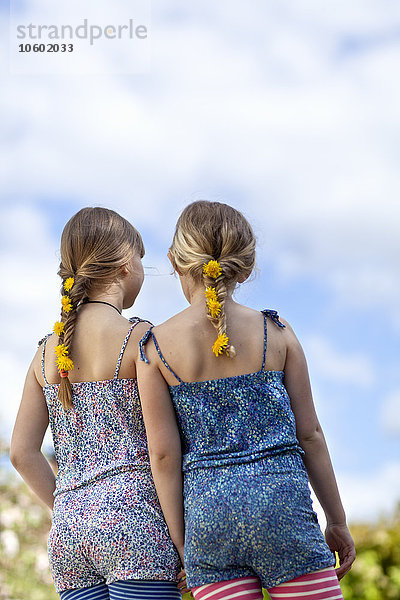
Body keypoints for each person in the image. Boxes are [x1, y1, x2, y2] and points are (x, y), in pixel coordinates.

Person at [137, 200, 356, 600]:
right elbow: (311, 436)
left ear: (174, 261)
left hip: (208, 521)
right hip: (283, 512)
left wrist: (186, 548)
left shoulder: (154, 349)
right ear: (248, 266)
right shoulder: (278, 331)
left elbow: (164, 457)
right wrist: (336, 520)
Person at [10, 207, 185, 600]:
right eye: (141, 258)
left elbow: (21, 453)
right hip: (136, 524)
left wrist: (70, 507)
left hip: (70, 532)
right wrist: (182, 540)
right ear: (125, 265)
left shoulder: (44, 354)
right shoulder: (139, 338)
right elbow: (162, 452)